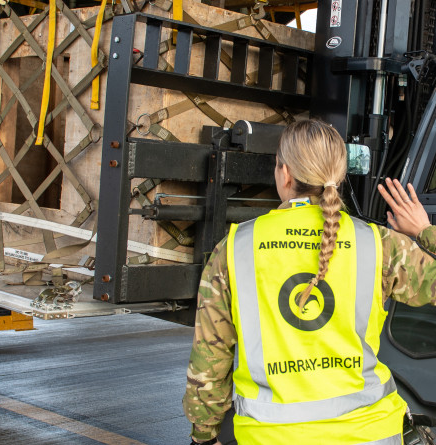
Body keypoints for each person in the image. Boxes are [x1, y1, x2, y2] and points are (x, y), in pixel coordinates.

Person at [183, 119, 436, 445]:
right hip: (373, 434)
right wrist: (423, 231)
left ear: (285, 174)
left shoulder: (234, 249)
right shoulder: (378, 244)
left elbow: (209, 361)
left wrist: (203, 437)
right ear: (340, 175)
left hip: (269, 437)